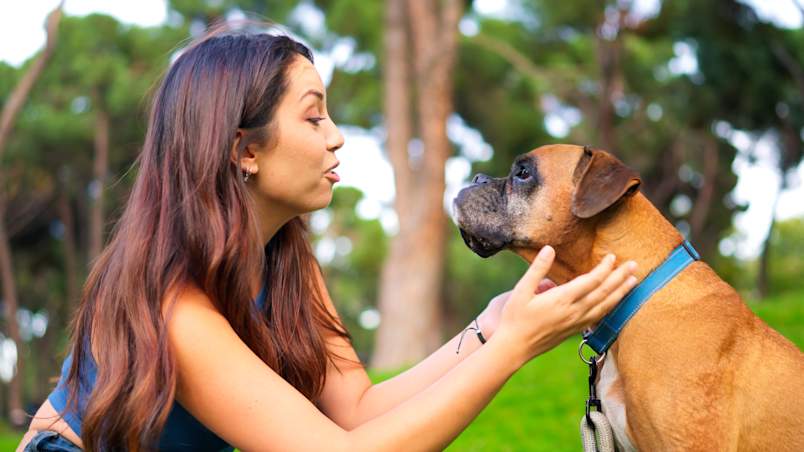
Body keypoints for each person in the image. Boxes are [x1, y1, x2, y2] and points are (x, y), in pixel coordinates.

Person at [17, 25, 638, 452]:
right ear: (245, 151)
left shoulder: (283, 259)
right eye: (313, 116)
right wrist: (515, 349)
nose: (337, 136)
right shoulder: (177, 306)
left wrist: (493, 325)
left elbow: (359, 412)